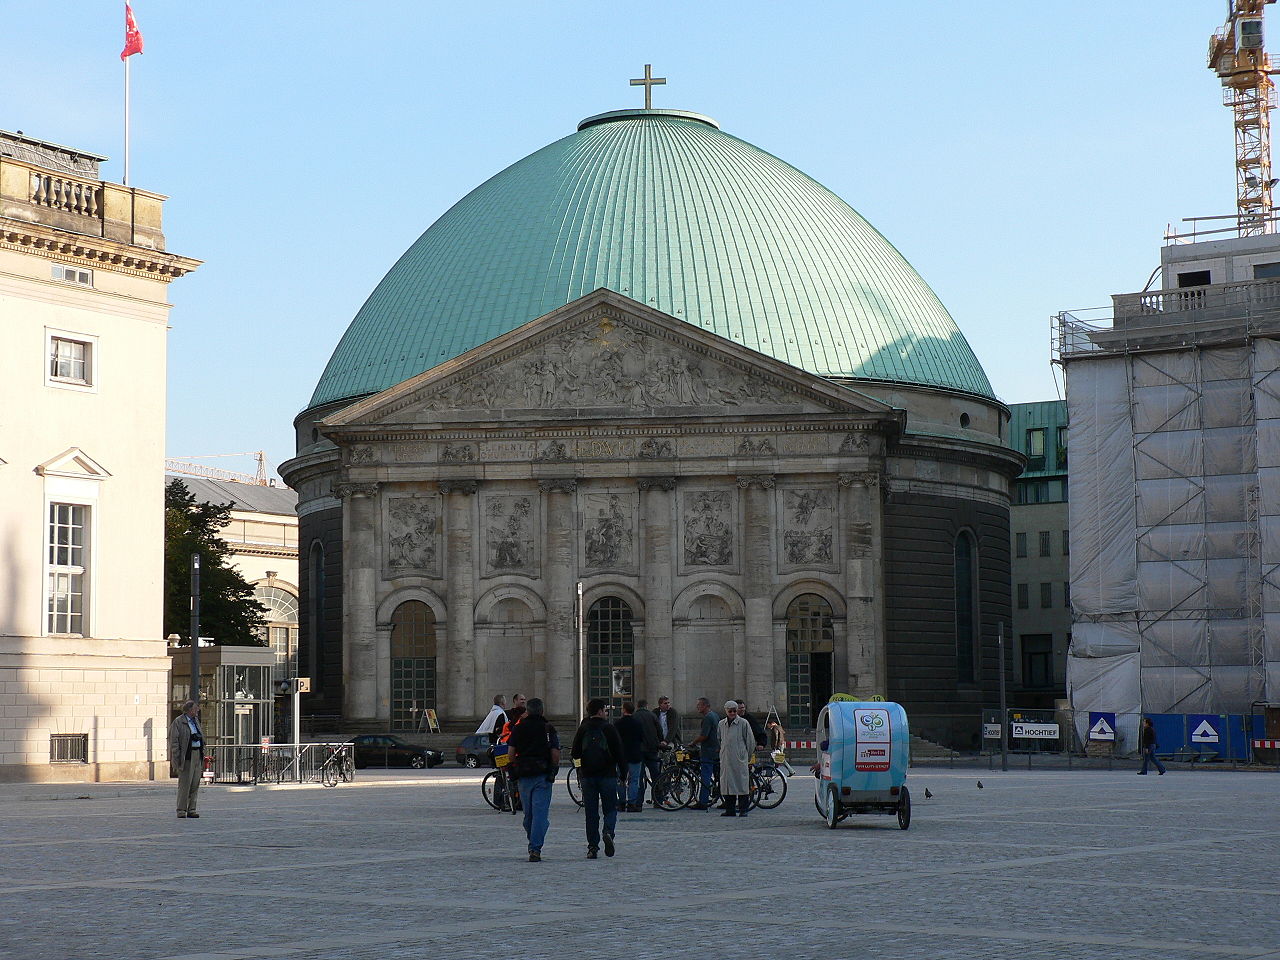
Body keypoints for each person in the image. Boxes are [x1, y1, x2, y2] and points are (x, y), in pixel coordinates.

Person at [571, 698, 625, 858]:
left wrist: (580, 769)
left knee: (591, 813)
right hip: (607, 775)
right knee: (610, 809)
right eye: (605, 710)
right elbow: (619, 752)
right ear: (600, 711)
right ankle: (608, 831)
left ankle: (592, 848)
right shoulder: (609, 728)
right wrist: (623, 773)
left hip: (588, 776)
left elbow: (575, 753)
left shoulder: (583, 729)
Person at [509, 697, 560, 861]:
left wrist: (516, 765)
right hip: (543, 774)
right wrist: (554, 767)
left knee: (529, 815)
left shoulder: (519, 728)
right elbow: (555, 752)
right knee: (540, 814)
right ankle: (535, 847)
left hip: (524, 775)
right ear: (542, 711)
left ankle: (534, 842)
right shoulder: (548, 728)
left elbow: (510, 753)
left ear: (528, 711)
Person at [168, 700, 206, 819]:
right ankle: (181, 809)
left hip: (197, 754)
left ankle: (192, 809)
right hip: (186, 756)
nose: (198, 710)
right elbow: (174, 741)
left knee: (195, 783)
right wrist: (177, 757)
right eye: (196, 708)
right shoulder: (179, 722)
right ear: (190, 710)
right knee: (185, 784)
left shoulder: (196, 721)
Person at [718, 700, 755, 818]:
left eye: (735, 710)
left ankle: (744, 809)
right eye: (730, 711)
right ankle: (730, 809)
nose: (733, 713)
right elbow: (719, 739)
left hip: (739, 758)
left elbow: (750, 741)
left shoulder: (744, 723)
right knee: (727, 784)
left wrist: (746, 756)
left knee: (741, 784)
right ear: (726, 711)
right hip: (726, 758)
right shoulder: (721, 724)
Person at [613, 702, 645, 812]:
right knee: (634, 780)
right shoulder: (638, 723)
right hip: (635, 754)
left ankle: (621, 803)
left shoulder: (618, 723)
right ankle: (632, 803)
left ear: (624, 710)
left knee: (621, 779)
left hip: (621, 755)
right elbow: (642, 738)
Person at [689, 697, 720, 810]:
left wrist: (693, 742)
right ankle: (723, 798)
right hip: (716, 750)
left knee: (705, 776)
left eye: (699, 705)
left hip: (708, 751)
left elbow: (704, 735)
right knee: (719, 776)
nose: (697, 707)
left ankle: (703, 801)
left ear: (705, 706)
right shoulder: (715, 715)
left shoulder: (707, 718)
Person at [633, 699, 662, 806]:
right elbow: (660, 730)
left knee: (639, 777)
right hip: (652, 749)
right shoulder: (653, 716)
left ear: (638, 706)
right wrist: (660, 742)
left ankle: (638, 801)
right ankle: (658, 800)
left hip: (639, 750)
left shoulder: (634, 716)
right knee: (656, 775)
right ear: (647, 706)